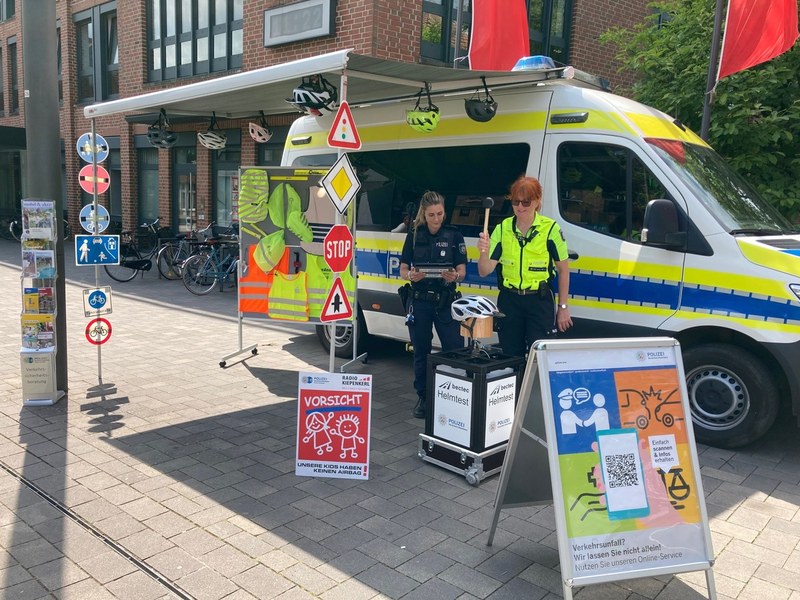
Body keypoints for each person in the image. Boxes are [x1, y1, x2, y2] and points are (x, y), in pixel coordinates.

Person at [477, 175, 572, 357]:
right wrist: (483, 252)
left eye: (526, 202)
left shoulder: (550, 229)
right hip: (509, 301)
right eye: (515, 201)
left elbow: (563, 270)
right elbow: (484, 271)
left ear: (537, 202)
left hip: (539, 301)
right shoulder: (502, 228)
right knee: (511, 357)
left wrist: (563, 308)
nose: (520, 207)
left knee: (541, 358)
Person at [400, 191, 467, 418]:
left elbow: (462, 271)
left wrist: (455, 277)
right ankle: (425, 397)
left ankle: (455, 395)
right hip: (419, 302)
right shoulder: (414, 234)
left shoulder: (454, 236)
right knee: (421, 351)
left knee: (455, 350)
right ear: (424, 214)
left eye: (440, 213)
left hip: (445, 302)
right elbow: (402, 270)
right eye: (431, 215)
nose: (436, 219)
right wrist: (410, 275)